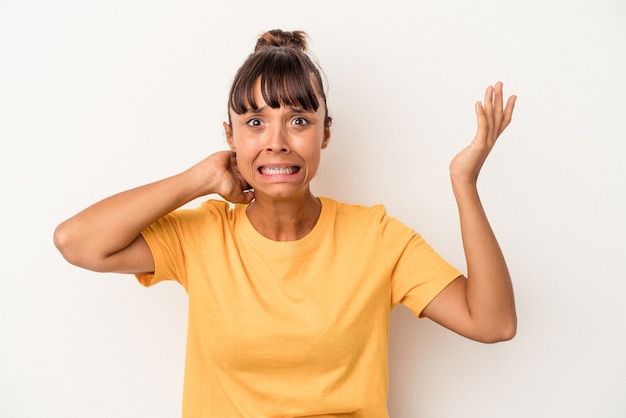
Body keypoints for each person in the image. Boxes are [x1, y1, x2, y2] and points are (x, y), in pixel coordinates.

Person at [54, 29, 517, 417]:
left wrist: (464, 183)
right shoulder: (203, 235)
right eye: (254, 122)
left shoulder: (375, 238)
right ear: (230, 135)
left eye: (298, 119)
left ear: (325, 133)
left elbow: (493, 322)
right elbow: (76, 242)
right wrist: (198, 179)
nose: (276, 142)